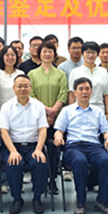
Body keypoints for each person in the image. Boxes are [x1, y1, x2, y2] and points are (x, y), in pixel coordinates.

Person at [54, 78, 108, 214]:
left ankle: (102, 201)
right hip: (74, 147)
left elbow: (106, 132)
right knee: (79, 161)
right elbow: (59, 130)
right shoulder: (67, 111)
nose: (84, 92)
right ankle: (80, 202)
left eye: (87, 89)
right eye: (80, 89)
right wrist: (58, 137)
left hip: (94, 146)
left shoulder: (98, 111)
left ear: (91, 91)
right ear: (75, 92)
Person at [0, 75, 49, 214]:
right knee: (14, 163)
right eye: (19, 86)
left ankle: (37, 198)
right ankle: (17, 199)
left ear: (30, 88)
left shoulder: (38, 106)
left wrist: (39, 149)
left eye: (26, 86)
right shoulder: (6, 107)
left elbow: (43, 129)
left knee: (40, 162)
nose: (22, 89)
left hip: (33, 146)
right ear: (14, 88)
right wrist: (13, 151)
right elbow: (4, 131)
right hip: (13, 146)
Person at [28, 41, 68, 193]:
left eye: (50, 51)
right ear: (39, 54)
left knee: (54, 151)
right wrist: (46, 111)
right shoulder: (32, 74)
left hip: (56, 119)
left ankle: (52, 180)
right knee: (37, 148)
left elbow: (63, 94)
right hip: (37, 118)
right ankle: (39, 180)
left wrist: (53, 111)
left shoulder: (60, 74)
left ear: (54, 54)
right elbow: (31, 95)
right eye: (44, 51)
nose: (47, 54)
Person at [67, 41, 108, 117]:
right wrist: (71, 113)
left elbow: (107, 94)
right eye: (87, 52)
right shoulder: (75, 72)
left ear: (97, 54)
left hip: (99, 110)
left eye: (93, 52)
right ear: (82, 54)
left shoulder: (103, 71)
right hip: (79, 110)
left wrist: (107, 113)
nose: (90, 55)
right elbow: (72, 95)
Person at [0, 45, 25, 126]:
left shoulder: (21, 73)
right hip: (1, 116)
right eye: (7, 55)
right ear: (2, 57)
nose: (10, 57)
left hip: (19, 115)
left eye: (12, 55)